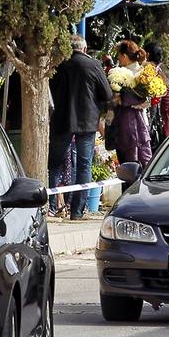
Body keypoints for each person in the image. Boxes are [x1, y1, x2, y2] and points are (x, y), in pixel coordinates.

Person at [49, 35, 112, 219]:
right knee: (84, 165)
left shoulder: (59, 65)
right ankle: (77, 211)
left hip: (62, 119)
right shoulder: (93, 65)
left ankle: (52, 207)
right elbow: (107, 93)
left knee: (54, 165)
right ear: (84, 48)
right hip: (86, 121)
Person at [112, 40, 153, 168]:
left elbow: (147, 99)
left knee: (131, 161)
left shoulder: (134, 73)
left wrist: (122, 99)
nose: (117, 58)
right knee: (142, 159)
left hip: (131, 123)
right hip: (138, 122)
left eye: (119, 55)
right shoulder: (143, 71)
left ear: (124, 56)